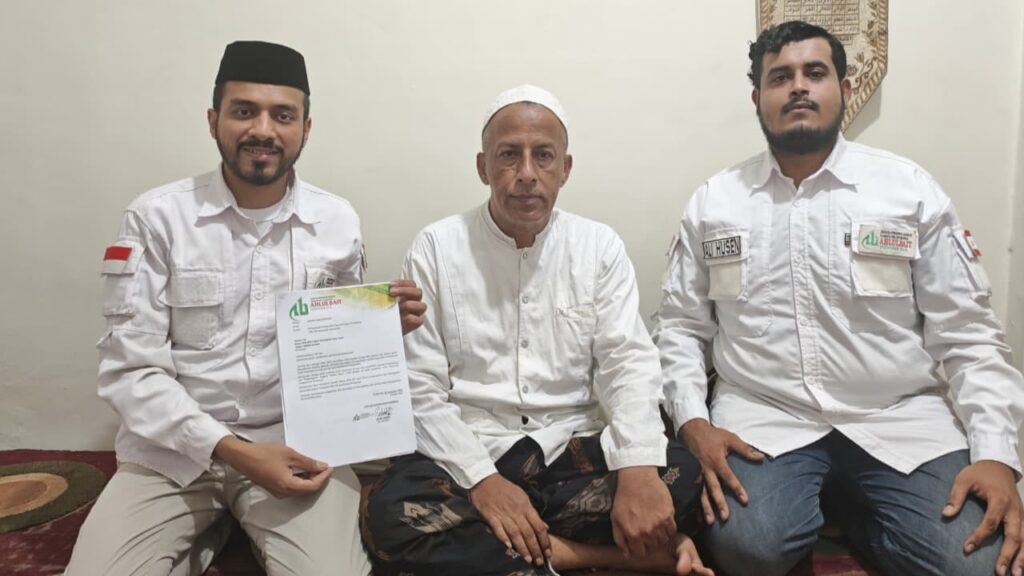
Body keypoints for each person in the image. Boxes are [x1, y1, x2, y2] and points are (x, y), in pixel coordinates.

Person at [653, 20, 1024, 576]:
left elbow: (969, 333)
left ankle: (855, 512)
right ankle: (837, 512)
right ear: (758, 99)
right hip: (764, 419)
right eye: (780, 77)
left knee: (980, 562)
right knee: (747, 548)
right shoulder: (716, 203)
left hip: (899, 421)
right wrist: (692, 423)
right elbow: (680, 328)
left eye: (815, 73)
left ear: (845, 89)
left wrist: (995, 454)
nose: (798, 87)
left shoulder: (907, 190)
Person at [66, 40, 425, 576]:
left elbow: (334, 354)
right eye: (244, 111)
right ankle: (210, 526)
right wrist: (234, 452)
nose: (263, 129)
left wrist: (377, 333)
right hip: (170, 455)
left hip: (298, 447)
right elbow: (131, 371)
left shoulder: (336, 222)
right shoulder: (156, 218)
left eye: (283, 115)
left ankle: (220, 532)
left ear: (306, 128)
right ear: (214, 120)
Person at [361, 85, 709, 576]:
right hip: (472, 447)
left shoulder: (598, 246)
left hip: (570, 450)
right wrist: (483, 482)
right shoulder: (436, 247)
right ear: (483, 167)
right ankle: (603, 556)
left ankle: (514, 552)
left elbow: (627, 363)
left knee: (683, 477)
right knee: (389, 516)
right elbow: (420, 387)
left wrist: (635, 471)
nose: (526, 173)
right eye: (509, 155)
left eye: (543, 156)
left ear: (564, 169)